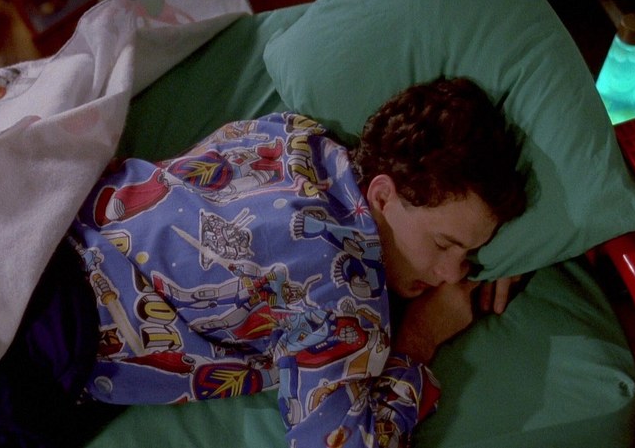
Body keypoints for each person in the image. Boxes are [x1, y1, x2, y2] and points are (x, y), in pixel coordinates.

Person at [61, 76, 527, 448]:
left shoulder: (292, 135)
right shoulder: (344, 297)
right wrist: (420, 340)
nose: (453, 273)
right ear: (383, 195)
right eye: (444, 244)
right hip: (63, 326)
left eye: (470, 255)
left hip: (65, 221)